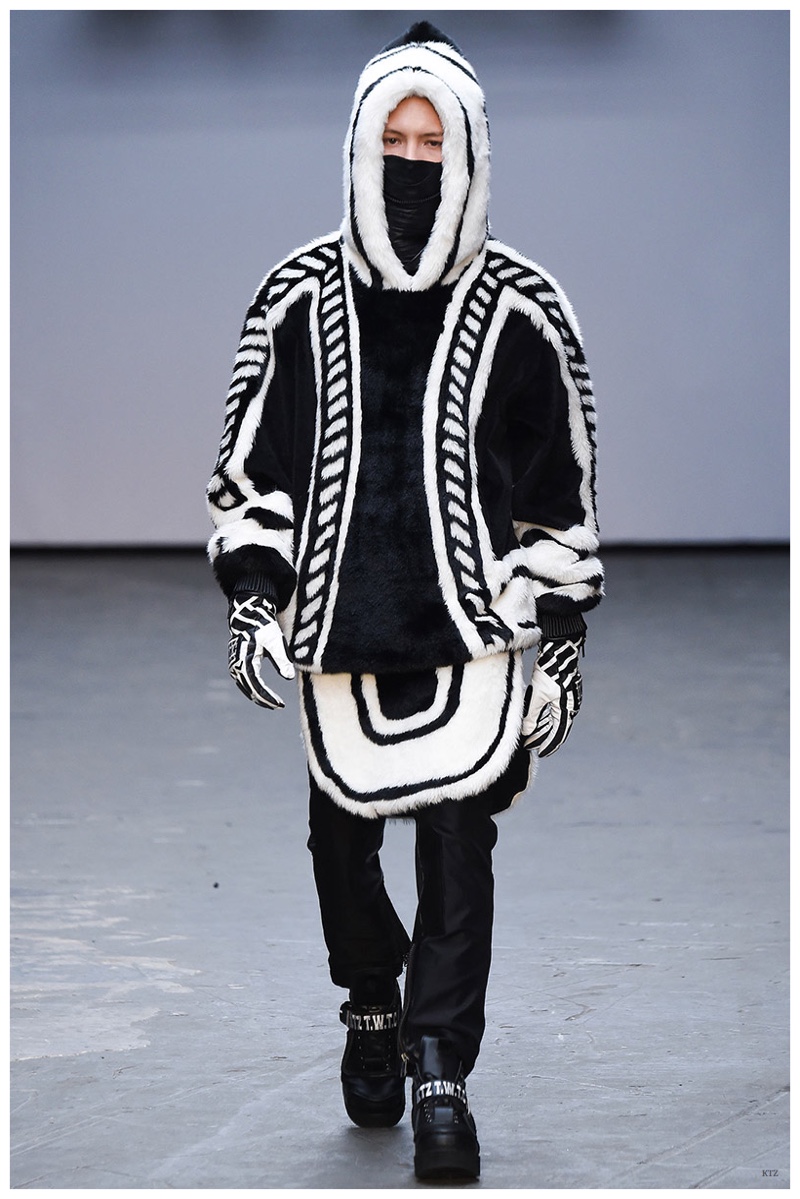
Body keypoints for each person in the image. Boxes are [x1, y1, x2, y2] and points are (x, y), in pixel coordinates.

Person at [206, 21, 602, 1182]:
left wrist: (558, 640)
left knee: (457, 841)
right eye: (395, 138)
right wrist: (252, 596)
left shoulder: (522, 306)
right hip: (337, 628)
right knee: (340, 837)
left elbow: (555, 487)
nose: (413, 161)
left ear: (470, 149)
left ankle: (438, 1064)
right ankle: (370, 999)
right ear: (358, 142)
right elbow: (254, 467)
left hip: (475, 630)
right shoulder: (295, 296)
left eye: (434, 141)